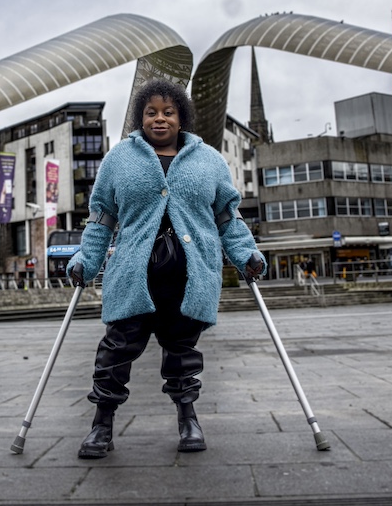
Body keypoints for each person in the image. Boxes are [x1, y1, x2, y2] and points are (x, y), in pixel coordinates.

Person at [67, 79, 265, 459]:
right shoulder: (119, 159)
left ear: (181, 117)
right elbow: (101, 219)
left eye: (168, 112)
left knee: (182, 353)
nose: (160, 119)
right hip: (133, 278)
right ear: (141, 117)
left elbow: (227, 217)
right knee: (115, 352)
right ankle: (101, 426)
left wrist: (246, 255)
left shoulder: (208, 159)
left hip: (188, 279)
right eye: (151, 112)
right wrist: (86, 262)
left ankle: (188, 419)